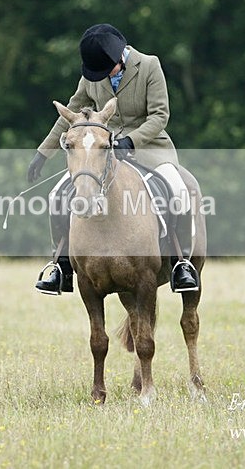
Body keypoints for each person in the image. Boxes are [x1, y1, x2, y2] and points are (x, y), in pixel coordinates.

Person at [27, 23, 199, 294]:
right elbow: (70, 113)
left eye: (107, 71)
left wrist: (130, 141)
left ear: (120, 57)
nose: (102, 77)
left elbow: (159, 116)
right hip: (99, 149)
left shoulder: (150, 66)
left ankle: (182, 263)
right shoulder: (92, 75)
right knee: (57, 195)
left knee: (178, 190)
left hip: (149, 147)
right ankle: (61, 265)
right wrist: (42, 153)